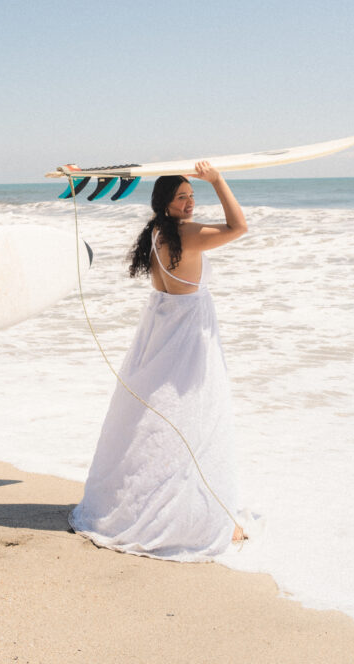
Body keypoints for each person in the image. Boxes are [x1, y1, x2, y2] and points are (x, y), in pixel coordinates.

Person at [69, 162, 248, 560]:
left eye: (191, 195)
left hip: (161, 327)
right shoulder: (186, 233)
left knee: (157, 420)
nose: (189, 202)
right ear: (165, 203)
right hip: (186, 333)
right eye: (181, 196)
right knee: (194, 419)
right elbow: (239, 227)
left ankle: (155, 504)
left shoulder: (155, 233)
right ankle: (198, 517)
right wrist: (218, 181)